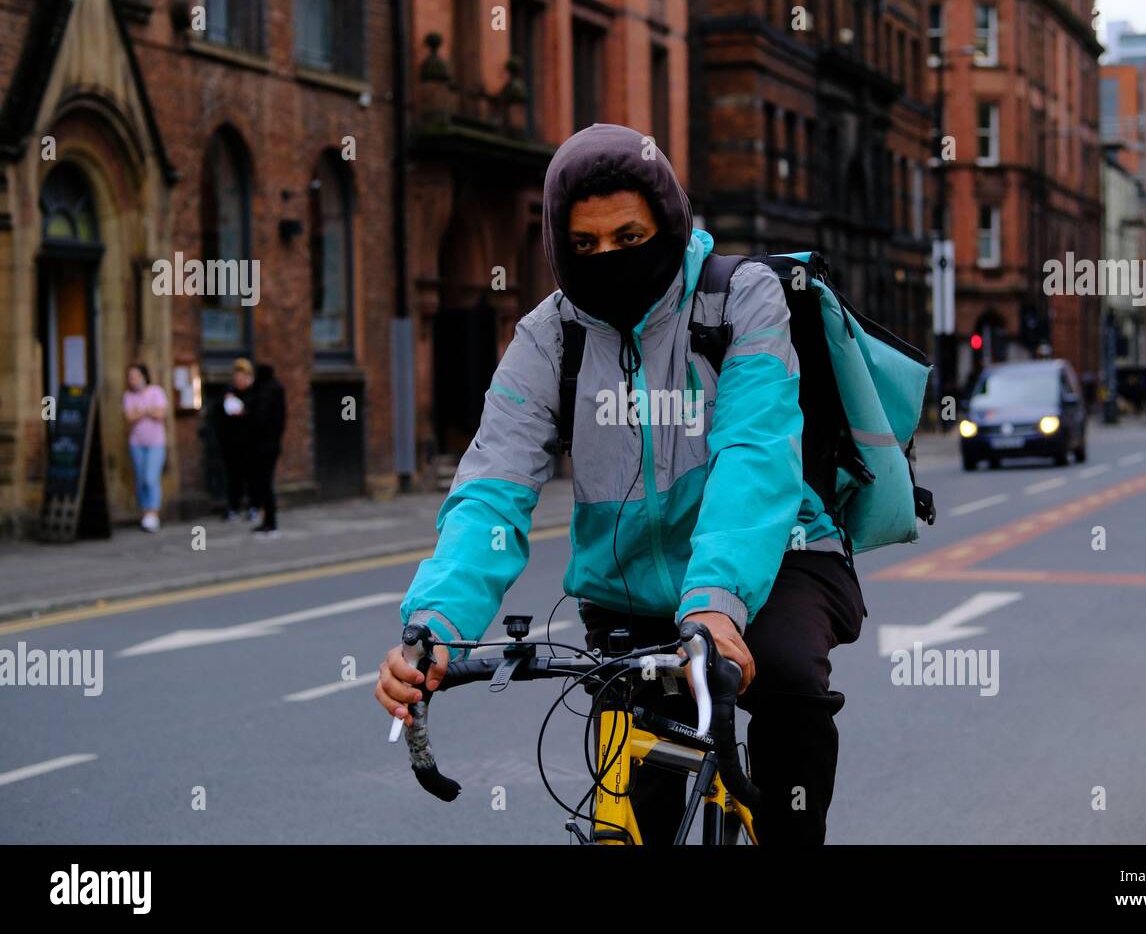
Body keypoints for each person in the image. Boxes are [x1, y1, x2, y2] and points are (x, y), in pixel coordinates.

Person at [376, 124, 868, 845]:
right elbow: (493, 486)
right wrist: (435, 628)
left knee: (789, 684)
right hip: (630, 591)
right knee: (637, 809)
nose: (608, 257)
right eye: (584, 245)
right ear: (558, 245)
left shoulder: (741, 299)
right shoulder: (550, 337)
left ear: (667, 223)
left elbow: (754, 455)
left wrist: (717, 605)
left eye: (629, 236)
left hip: (777, 560)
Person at [123, 363, 168, 532]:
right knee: (141, 480)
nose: (132, 380)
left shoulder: (156, 391)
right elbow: (130, 417)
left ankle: (153, 514)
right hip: (136, 443)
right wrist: (148, 410)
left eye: (135, 376)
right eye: (130, 377)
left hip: (156, 442)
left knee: (151, 478)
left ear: (143, 376)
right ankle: (145, 514)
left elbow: (160, 413)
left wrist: (141, 411)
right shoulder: (128, 395)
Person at [245, 362, 286, 537]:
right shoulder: (277, 389)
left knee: (264, 484)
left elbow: (259, 420)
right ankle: (268, 521)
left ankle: (270, 523)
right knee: (265, 483)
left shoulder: (264, 392)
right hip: (272, 445)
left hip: (263, 446)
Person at [212, 358, 255, 521]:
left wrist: (245, 412)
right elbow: (217, 414)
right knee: (232, 476)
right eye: (237, 376)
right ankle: (233, 506)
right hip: (231, 442)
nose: (239, 380)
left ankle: (253, 506)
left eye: (242, 376)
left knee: (251, 476)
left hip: (250, 442)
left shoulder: (254, 393)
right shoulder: (228, 392)